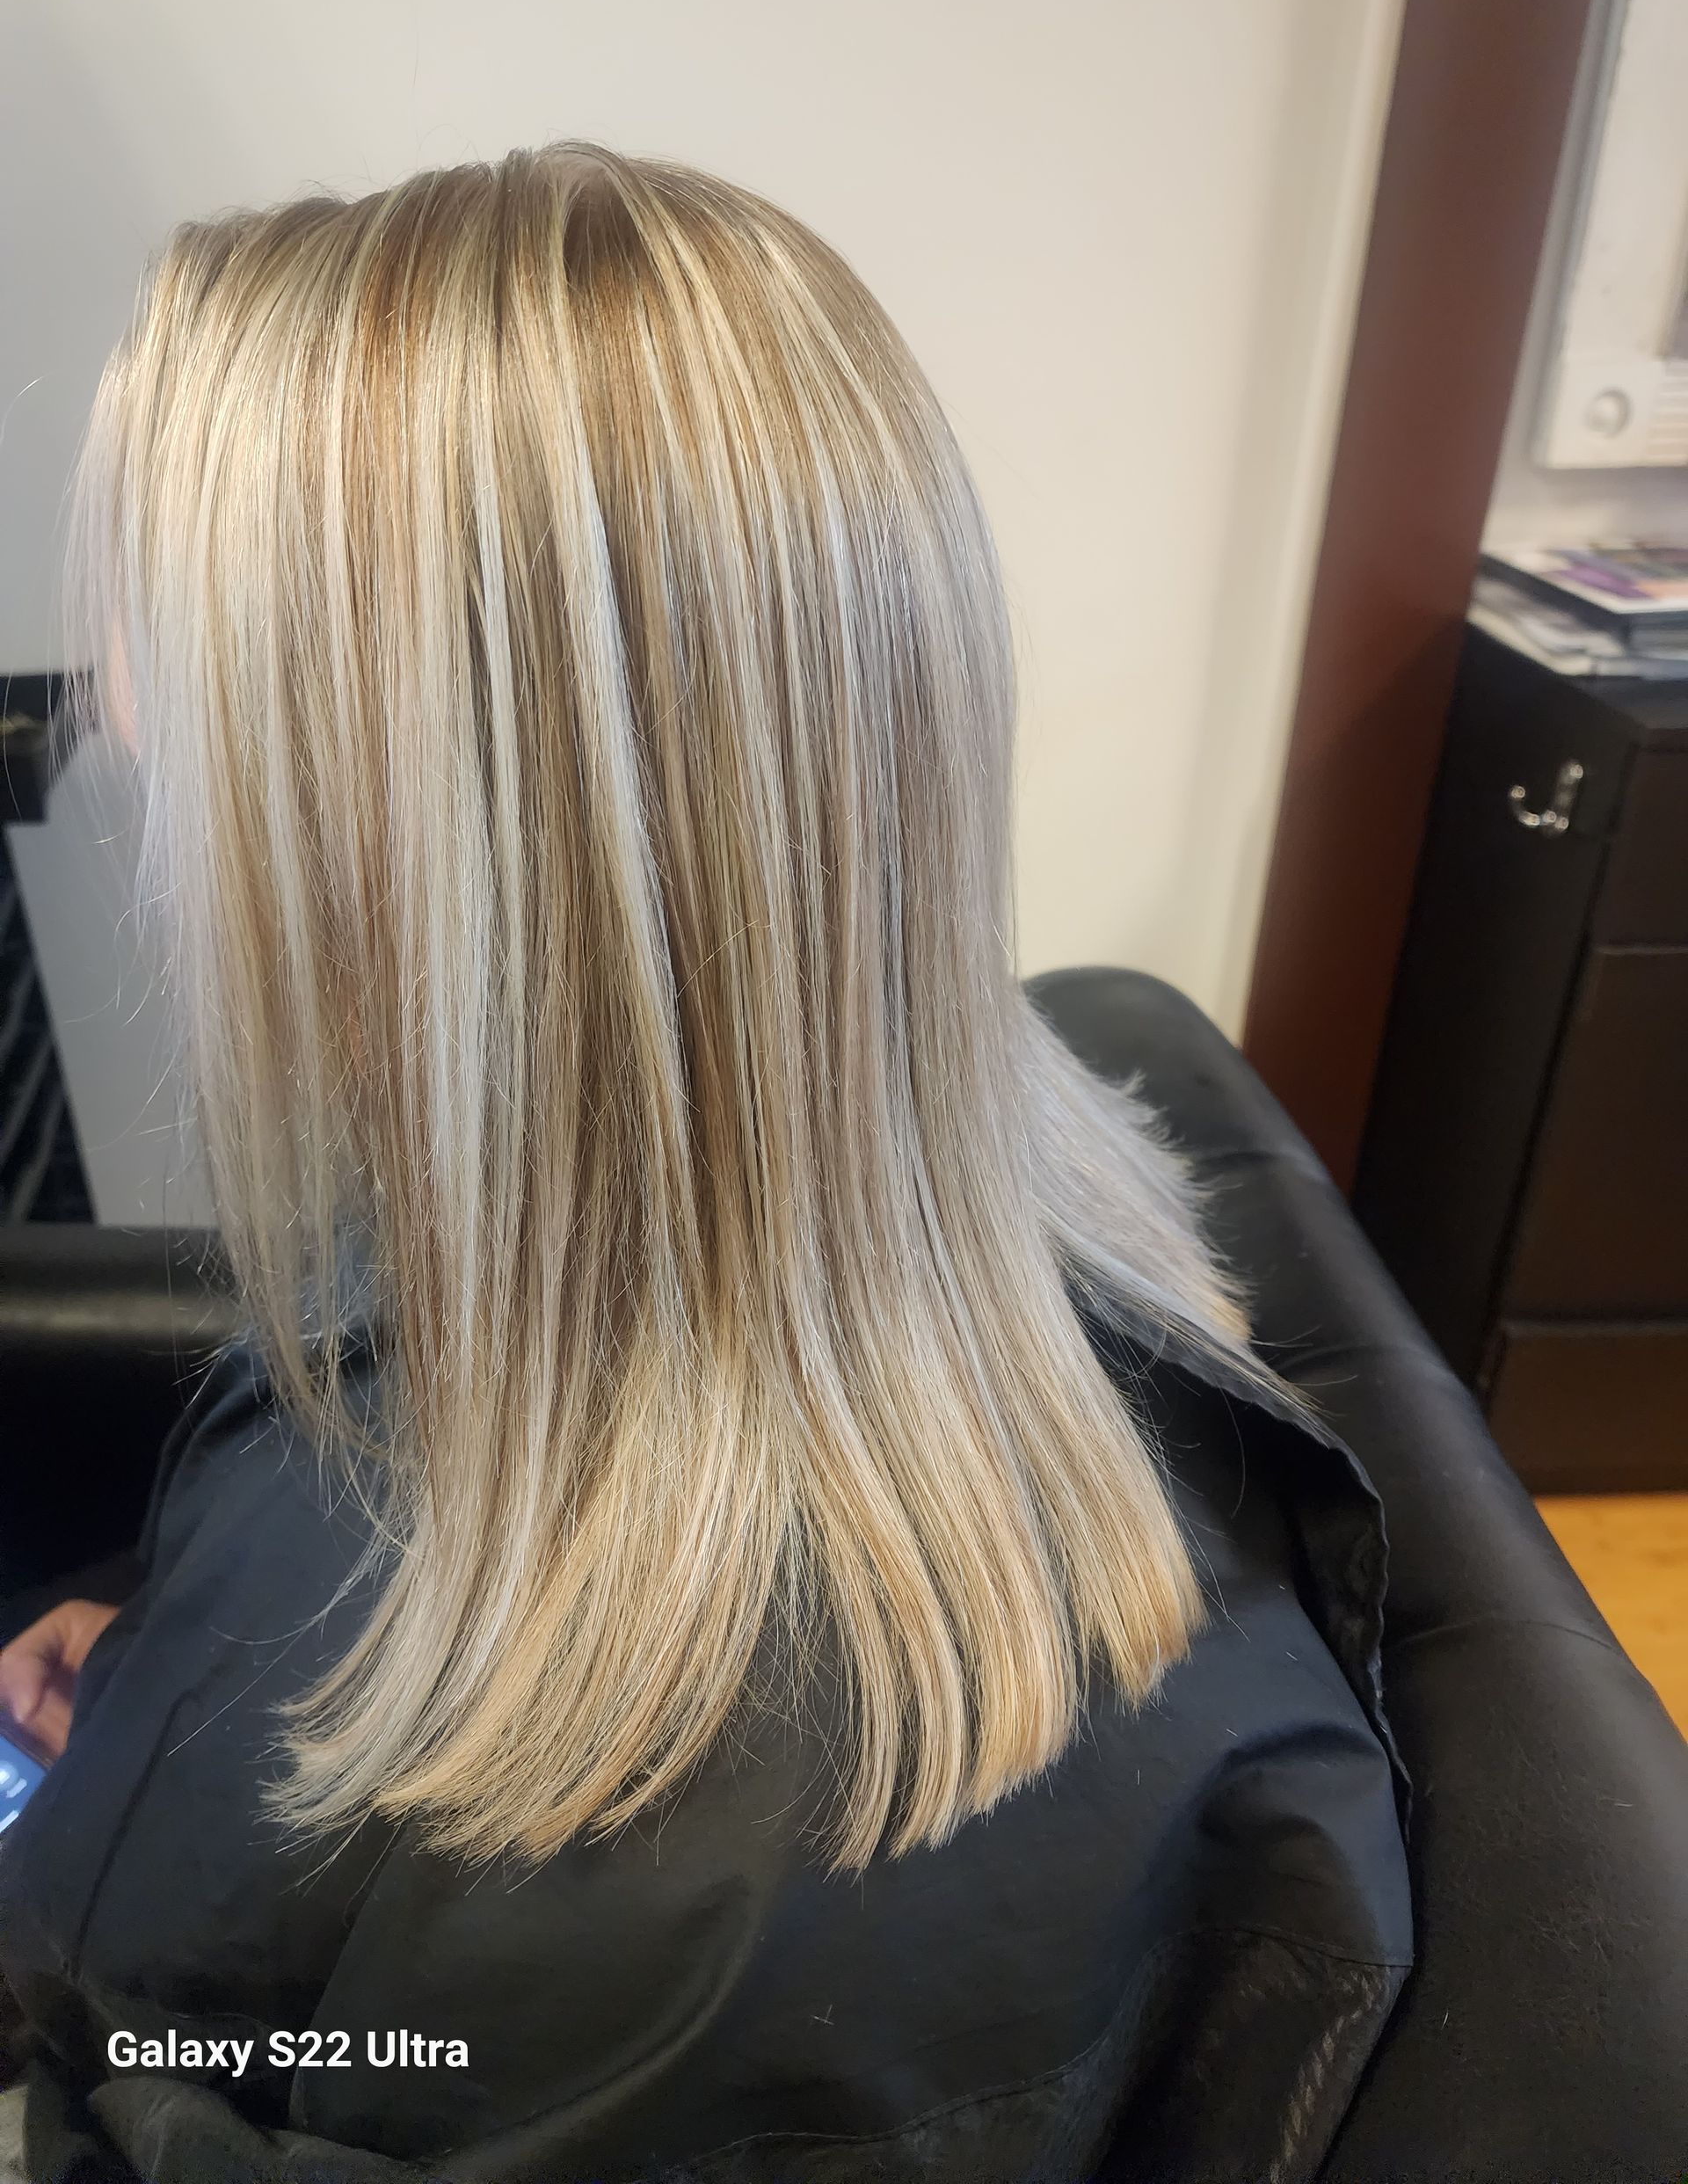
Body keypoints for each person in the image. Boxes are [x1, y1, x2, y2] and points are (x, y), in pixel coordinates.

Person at [0, 144, 1409, 2184]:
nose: (119, 735)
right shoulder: (848, 1195)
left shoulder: (658, 1902)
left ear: (404, 801)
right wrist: (171, 1681)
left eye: (160, 647)